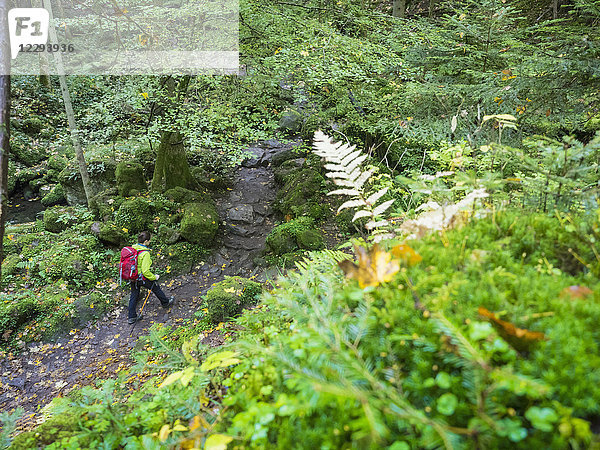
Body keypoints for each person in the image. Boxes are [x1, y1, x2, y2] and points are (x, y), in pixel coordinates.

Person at [128, 231, 174, 324]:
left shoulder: (133, 249)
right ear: (145, 241)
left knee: (134, 295)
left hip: (133, 277)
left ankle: (132, 317)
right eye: (149, 241)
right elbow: (145, 271)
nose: (149, 242)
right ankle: (165, 302)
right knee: (155, 287)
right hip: (141, 278)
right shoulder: (145, 253)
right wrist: (154, 277)